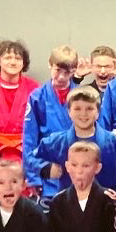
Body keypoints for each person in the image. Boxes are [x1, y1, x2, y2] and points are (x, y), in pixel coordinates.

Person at [33, 86, 116, 208]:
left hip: (106, 210)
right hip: (68, 210)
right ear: (69, 112)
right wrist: (44, 168)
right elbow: (29, 161)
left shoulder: (113, 143)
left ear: (98, 112)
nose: (83, 114)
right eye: (77, 108)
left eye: (89, 108)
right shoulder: (56, 143)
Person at [22, 45, 79, 204]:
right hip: (49, 171)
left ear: (74, 71)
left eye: (67, 72)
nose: (61, 77)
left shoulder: (81, 96)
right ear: (50, 65)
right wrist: (35, 175)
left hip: (78, 169)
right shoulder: (37, 97)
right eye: (57, 70)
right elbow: (29, 139)